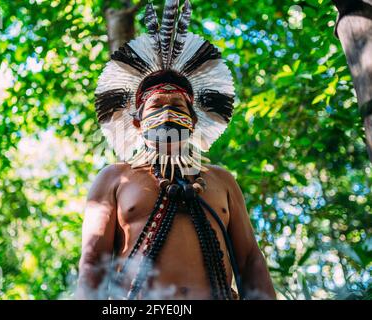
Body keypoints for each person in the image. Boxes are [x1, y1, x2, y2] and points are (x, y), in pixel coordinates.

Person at [75, 0, 275, 300]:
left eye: (177, 106)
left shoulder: (221, 181)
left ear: (193, 121)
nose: (167, 113)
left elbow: (250, 261)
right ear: (138, 123)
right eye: (156, 106)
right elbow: (93, 263)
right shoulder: (115, 179)